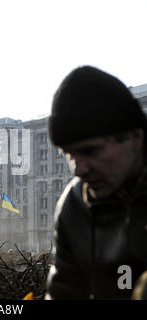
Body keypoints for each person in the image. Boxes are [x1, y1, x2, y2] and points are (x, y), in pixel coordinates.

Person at [45, 65, 147, 300]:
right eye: (70, 155)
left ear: (134, 138)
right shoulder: (74, 206)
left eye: (90, 151)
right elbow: (64, 293)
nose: (79, 170)